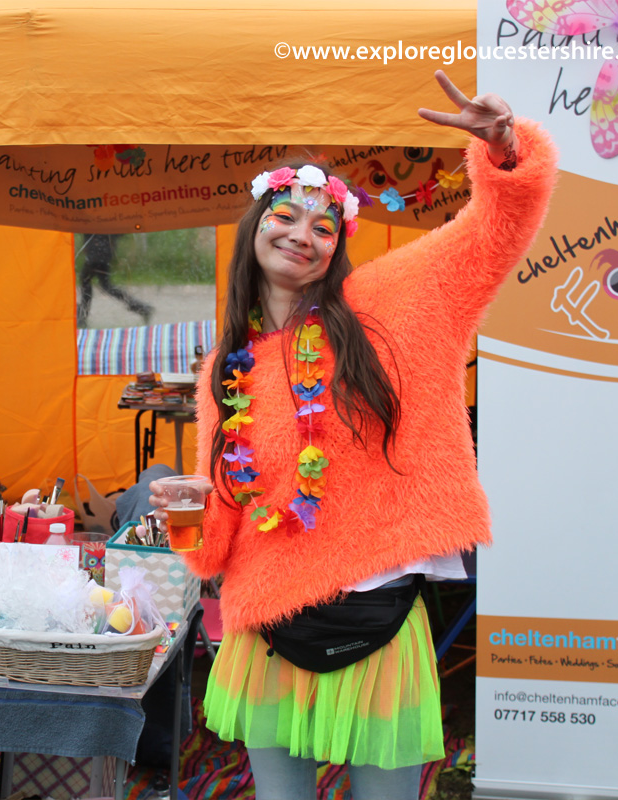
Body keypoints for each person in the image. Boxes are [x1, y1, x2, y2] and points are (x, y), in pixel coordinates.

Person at [148, 71, 557, 799]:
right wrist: (184, 512)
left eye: (323, 226)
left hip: (377, 612)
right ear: (255, 226)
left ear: (338, 246)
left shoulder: (389, 303)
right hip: (269, 626)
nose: (301, 235)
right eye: (286, 216)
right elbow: (215, 544)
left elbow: (491, 236)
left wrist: (503, 151)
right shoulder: (224, 371)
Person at [76, 233, 154, 326]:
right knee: (105, 285)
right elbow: (118, 233)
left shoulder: (93, 225)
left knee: (87, 281)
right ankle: (140, 307)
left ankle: (82, 316)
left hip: (95, 254)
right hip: (104, 253)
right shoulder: (105, 226)